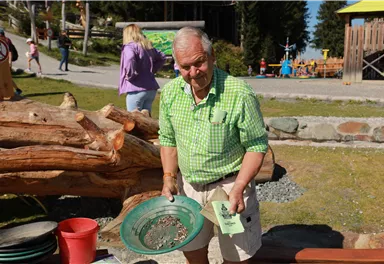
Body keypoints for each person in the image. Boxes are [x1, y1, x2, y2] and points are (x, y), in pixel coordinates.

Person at [159, 27, 268, 264]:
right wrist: (168, 177)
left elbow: (256, 145)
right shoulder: (169, 94)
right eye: (185, 67)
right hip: (189, 188)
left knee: (236, 258)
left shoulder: (239, 93)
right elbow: (168, 140)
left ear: (212, 55)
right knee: (193, 253)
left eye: (199, 63)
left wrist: (240, 186)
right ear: (176, 64)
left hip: (230, 187)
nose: (193, 72)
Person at [119, 24, 166, 113]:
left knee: (134, 120)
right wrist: (153, 69)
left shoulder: (129, 47)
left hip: (136, 88)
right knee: (146, 120)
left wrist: (130, 74)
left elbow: (129, 58)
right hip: (151, 89)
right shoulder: (147, 46)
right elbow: (162, 57)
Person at [0, 28, 22, 95]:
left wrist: (10, 62)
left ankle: (17, 89)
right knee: (6, 77)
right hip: (2, 61)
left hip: (4, 62)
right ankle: (17, 89)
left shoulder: (7, 40)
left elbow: (9, 52)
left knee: (7, 77)